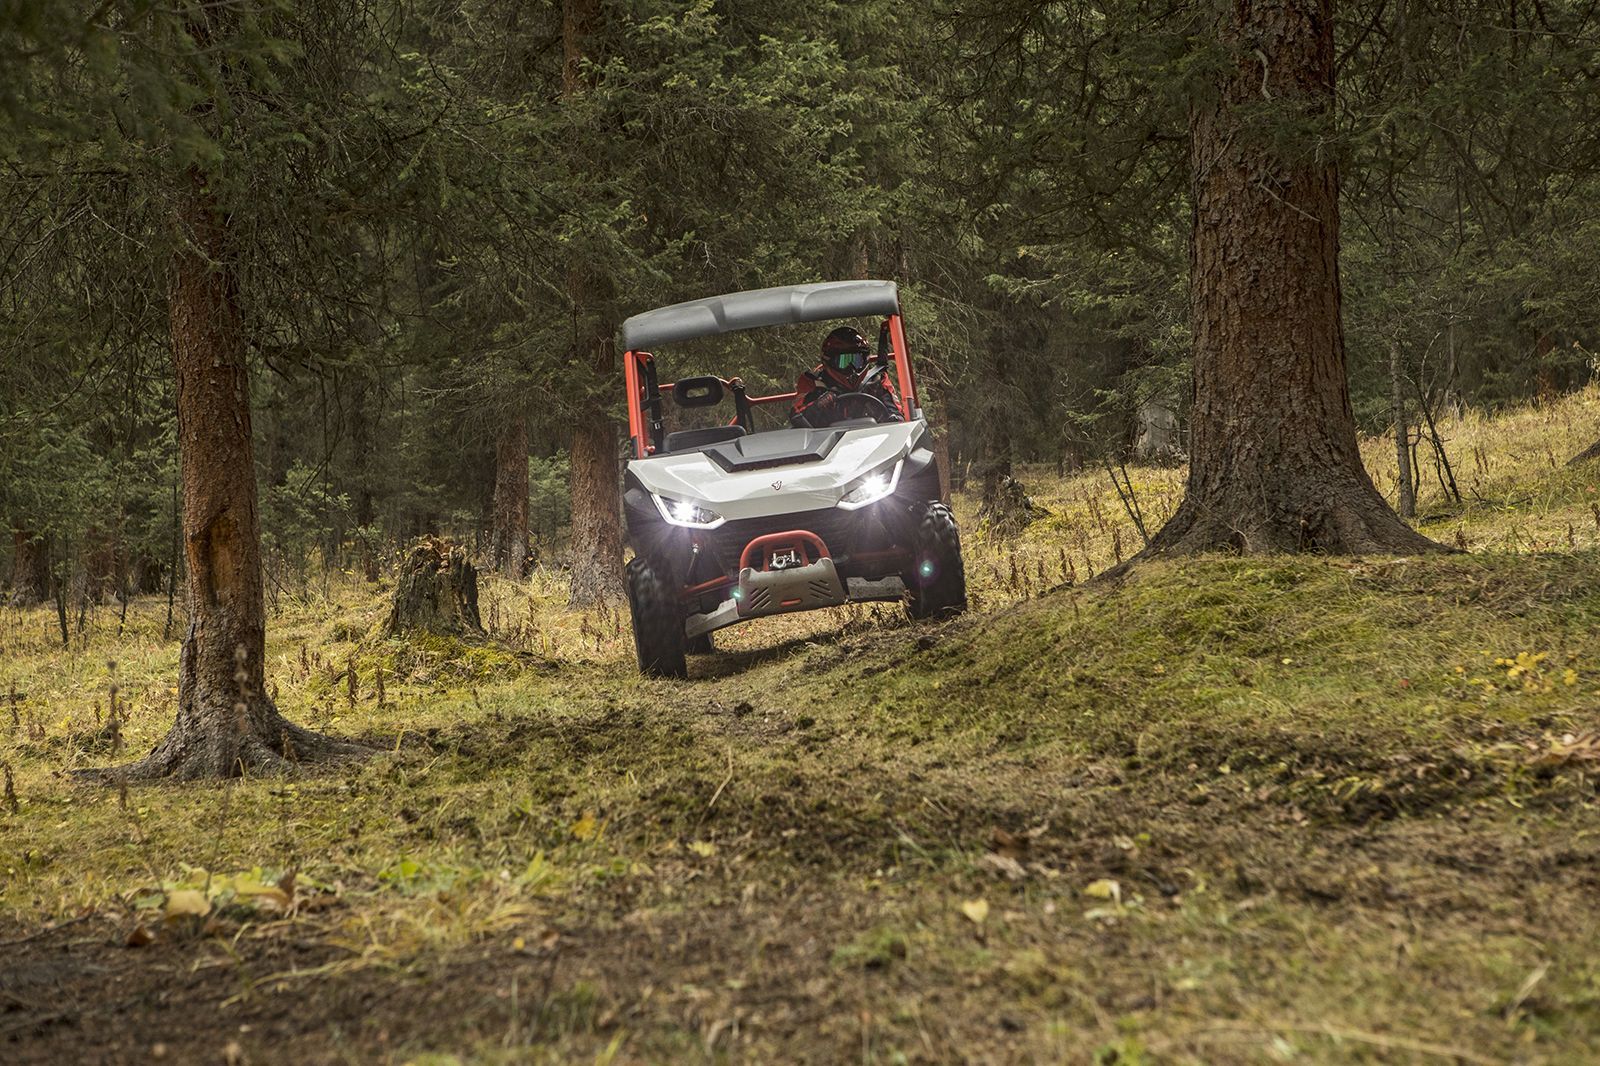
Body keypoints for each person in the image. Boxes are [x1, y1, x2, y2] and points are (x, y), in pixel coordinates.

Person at [792, 326, 903, 427]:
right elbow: (797, 418)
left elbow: (897, 415)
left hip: (873, 440)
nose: (852, 369)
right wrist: (818, 405)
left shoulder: (877, 380)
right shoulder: (812, 382)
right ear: (829, 361)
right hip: (825, 444)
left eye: (857, 361)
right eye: (844, 362)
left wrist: (892, 419)